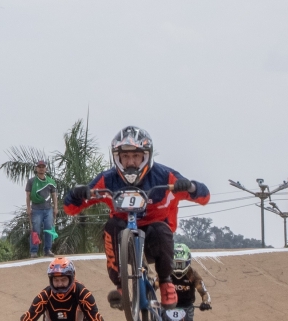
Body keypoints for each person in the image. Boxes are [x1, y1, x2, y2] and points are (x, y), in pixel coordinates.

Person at [64, 126, 210, 309]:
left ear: (146, 156)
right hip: (123, 235)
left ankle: (166, 282)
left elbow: (204, 197)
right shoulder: (107, 179)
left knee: (161, 229)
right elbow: (70, 208)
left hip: (154, 240)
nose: (130, 161)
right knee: (111, 226)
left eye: (136, 156)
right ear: (117, 157)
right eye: (125, 156)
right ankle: (120, 287)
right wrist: (77, 194)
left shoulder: (164, 176)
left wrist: (191, 187)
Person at [19, 257, 104, 321]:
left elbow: (96, 320)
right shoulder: (45, 295)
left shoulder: (83, 294)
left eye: (63, 280)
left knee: (98, 319)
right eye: (56, 280)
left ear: (72, 278)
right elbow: (27, 318)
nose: (59, 284)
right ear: (51, 280)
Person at [160, 243, 212, 321]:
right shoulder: (165, 272)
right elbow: (154, 284)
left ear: (188, 262)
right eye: (176, 264)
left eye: (182, 264)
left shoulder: (193, 274)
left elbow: (204, 292)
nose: (179, 267)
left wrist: (205, 302)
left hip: (186, 305)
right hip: (168, 304)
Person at [26, 160, 58, 258]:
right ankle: (34, 251)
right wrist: (28, 208)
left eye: (43, 167)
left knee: (49, 229)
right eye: (39, 167)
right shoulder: (31, 181)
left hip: (48, 209)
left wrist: (55, 207)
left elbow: (54, 195)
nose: (41, 169)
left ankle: (47, 250)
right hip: (36, 209)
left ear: (46, 169)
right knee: (35, 230)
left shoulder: (50, 181)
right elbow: (28, 196)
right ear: (36, 168)